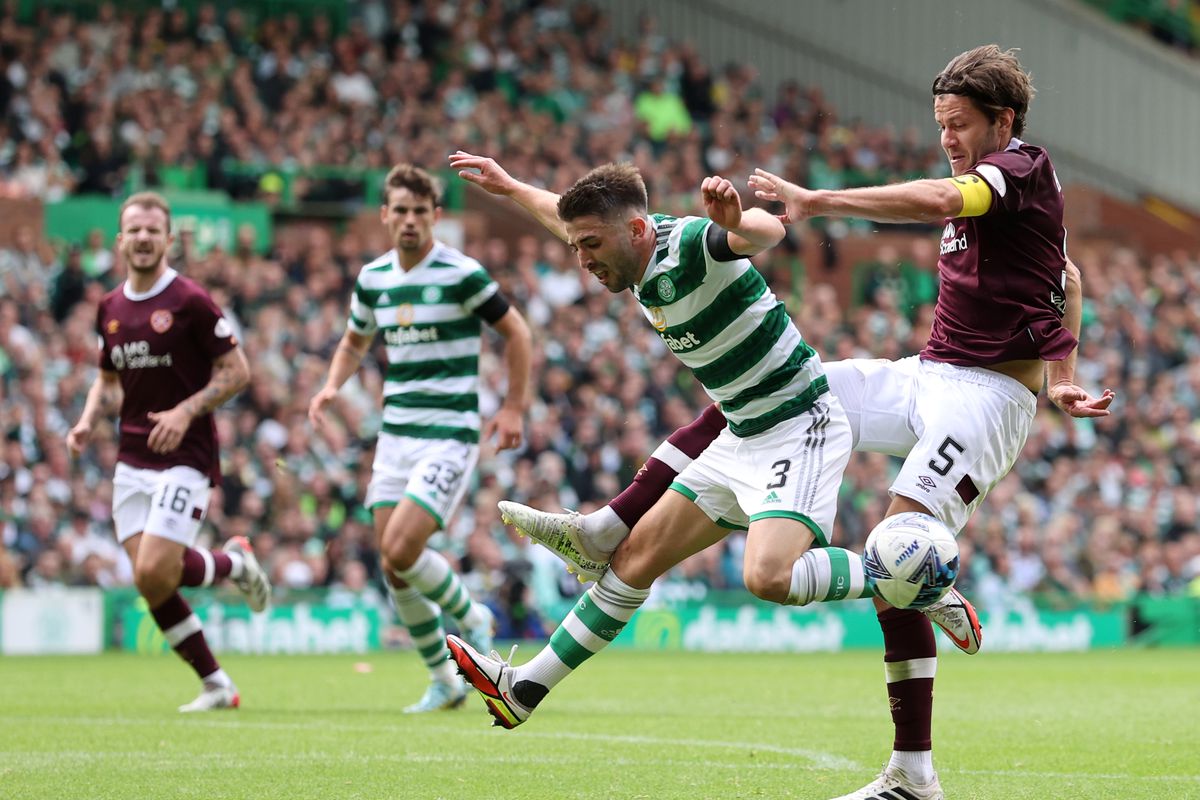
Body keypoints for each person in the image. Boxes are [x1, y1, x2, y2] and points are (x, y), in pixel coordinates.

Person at [497, 46, 1115, 800]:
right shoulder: (998, 191)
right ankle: (599, 549)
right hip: (927, 374)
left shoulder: (1019, 171)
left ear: (1003, 121)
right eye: (940, 125)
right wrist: (1069, 378)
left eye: (958, 125)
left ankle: (914, 728)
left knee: (899, 544)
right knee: (778, 385)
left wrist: (822, 201)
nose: (947, 138)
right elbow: (1067, 280)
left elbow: (942, 203)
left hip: (986, 399)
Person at [444, 152, 876, 732]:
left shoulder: (692, 244)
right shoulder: (629, 255)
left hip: (799, 422)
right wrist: (511, 186)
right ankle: (524, 688)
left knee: (768, 578)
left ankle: (911, 573)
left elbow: (768, 232)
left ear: (638, 230)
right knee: (632, 560)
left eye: (591, 245)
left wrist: (737, 221)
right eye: (577, 247)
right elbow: (560, 216)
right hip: (741, 429)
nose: (582, 260)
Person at [307, 164, 533, 713]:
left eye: (418, 211)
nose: (408, 220)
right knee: (392, 564)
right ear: (385, 216)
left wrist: (511, 407)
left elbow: (517, 333)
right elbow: (353, 340)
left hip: (448, 434)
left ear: (435, 216)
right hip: (396, 435)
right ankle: (444, 680)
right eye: (399, 210)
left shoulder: (461, 274)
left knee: (401, 548)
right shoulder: (375, 278)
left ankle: (473, 616)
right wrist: (332, 385)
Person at [67, 191, 271, 713]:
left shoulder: (190, 300)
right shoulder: (109, 307)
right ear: (120, 240)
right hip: (131, 459)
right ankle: (218, 680)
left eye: (151, 230)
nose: (142, 238)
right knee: (151, 580)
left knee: (156, 570)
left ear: (167, 239)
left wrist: (184, 412)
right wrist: (88, 420)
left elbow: (238, 372)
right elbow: (105, 377)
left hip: (187, 455)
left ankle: (232, 566)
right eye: (133, 229)